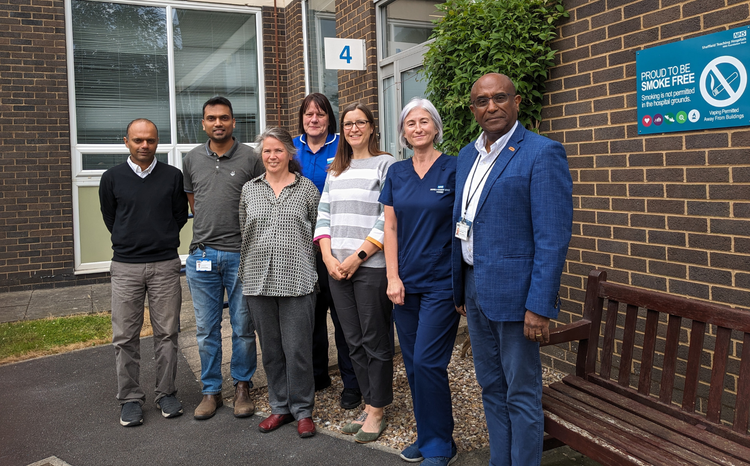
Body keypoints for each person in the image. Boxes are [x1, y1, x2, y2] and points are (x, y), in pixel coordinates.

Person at [451, 73, 573, 465]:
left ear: (516, 101)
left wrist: (539, 305)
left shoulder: (541, 152)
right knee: (490, 386)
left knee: (521, 393)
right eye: (482, 102)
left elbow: (552, 237)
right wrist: (461, 291)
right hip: (475, 289)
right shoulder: (468, 155)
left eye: (499, 98)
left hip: (518, 298)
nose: (492, 107)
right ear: (473, 110)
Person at [380, 98, 459, 465]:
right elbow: (390, 227)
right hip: (404, 284)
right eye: (410, 123)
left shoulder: (454, 169)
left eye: (424, 121)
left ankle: (442, 444)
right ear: (403, 132)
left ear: (435, 127)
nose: (417, 128)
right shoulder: (396, 173)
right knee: (413, 364)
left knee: (428, 362)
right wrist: (392, 277)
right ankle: (427, 436)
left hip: (442, 283)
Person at [99, 118, 189, 427]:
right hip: (125, 267)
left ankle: (166, 393)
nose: (144, 145)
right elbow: (111, 217)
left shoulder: (172, 177)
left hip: (164, 265)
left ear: (157, 142)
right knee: (125, 336)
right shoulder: (111, 178)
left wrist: (158, 239)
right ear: (126, 141)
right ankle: (130, 399)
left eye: (150, 140)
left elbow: (179, 216)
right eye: (138, 140)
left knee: (167, 333)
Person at [314, 102, 395, 444]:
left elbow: (387, 218)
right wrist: (329, 258)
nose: (354, 128)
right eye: (348, 124)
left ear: (372, 127)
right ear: (342, 131)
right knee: (353, 340)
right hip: (337, 269)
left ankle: (377, 409)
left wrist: (358, 257)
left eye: (360, 122)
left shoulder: (386, 164)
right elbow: (324, 215)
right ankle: (368, 400)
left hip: (370, 267)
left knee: (375, 340)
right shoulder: (336, 170)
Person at [182, 96, 264, 420]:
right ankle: (211, 390)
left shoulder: (251, 158)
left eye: (224, 118)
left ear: (233, 122)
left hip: (242, 255)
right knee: (206, 328)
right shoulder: (190, 160)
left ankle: (243, 385)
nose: (218, 123)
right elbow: (194, 203)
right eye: (212, 118)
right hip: (202, 257)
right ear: (203, 123)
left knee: (244, 326)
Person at [239, 127, 320, 439]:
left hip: (297, 280)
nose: (272, 156)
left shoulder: (307, 189)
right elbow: (243, 231)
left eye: (278, 150)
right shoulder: (249, 190)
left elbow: (316, 233)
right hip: (257, 280)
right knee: (271, 349)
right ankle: (280, 406)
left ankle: (302, 410)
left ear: (290, 153)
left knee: (298, 349)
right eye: (267, 151)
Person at [293, 93, 362, 409]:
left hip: (337, 248)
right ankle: (319, 375)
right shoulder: (292, 148)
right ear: (302, 118)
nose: (314, 119)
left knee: (343, 318)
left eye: (320, 114)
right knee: (310, 317)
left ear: (329, 119)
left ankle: (352, 383)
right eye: (309, 114)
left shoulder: (342, 147)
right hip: (299, 249)